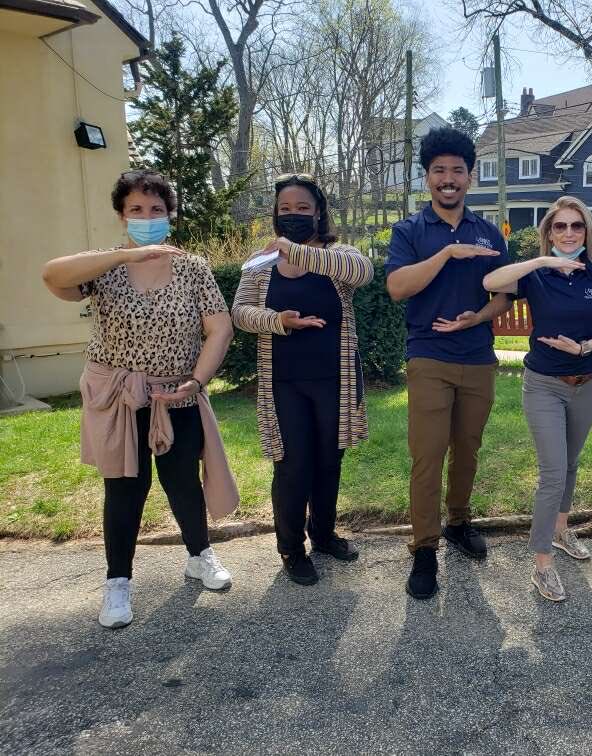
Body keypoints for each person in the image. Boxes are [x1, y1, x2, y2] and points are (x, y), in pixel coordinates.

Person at [41, 169, 238, 629]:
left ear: (170, 215)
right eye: (137, 210)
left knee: (183, 480)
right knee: (126, 488)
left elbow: (219, 327)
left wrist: (198, 379)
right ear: (121, 215)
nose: (148, 217)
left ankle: (199, 555)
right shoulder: (103, 268)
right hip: (119, 397)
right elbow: (53, 276)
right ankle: (118, 582)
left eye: (156, 210)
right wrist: (133, 253)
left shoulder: (193, 267)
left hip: (178, 393)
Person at [385, 127, 514, 600]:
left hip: (478, 357)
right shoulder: (409, 232)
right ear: (427, 179)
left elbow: (504, 297)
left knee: (468, 450)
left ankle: (458, 522)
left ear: (470, 177)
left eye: (457, 170)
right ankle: (424, 549)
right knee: (428, 455)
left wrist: (476, 317)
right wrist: (447, 252)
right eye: (439, 170)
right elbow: (398, 288)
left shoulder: (490, 233)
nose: (448, 179)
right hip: (429, 358)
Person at [483, 196, 592, 602]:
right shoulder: (537, 275)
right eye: (560, 227)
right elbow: (491, 282)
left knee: (571, 463)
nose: (569, 233)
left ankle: (562, 530)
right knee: (552, 471)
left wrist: (587, 347)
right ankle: (542, 563)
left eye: (577, 226)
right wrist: (540, 262)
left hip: (588, 381)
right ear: (549, 233)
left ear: (587, 232)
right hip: (544, 383)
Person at [232, 174, 373, 586]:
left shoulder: (338, 255)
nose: (293, 215)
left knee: (330, 462)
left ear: (318, 212)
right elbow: (240, 313)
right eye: (285, 209)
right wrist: (279, 320)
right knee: (293, 467)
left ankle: (323, 534)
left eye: (302, 208)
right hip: (284, 384)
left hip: (335, 380)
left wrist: (296, 250)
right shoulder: (260, 265)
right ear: (276, 213)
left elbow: (361, 272)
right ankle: (291, 549)